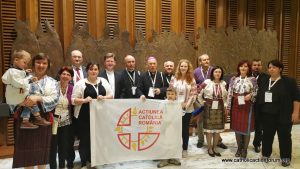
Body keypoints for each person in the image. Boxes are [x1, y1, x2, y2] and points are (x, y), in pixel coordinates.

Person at [12, 53, 59, 169]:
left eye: (44, 63)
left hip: (42, 117)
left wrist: (38, 98)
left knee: (41, 150)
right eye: (38, 62)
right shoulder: (22, 78)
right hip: (25, 117)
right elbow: (11, 95)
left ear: (48, 66)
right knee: (26, 152)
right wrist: (22, 102)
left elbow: (55, 98)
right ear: (33, 64)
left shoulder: (52, 82)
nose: (41, 65)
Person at [256, 59, 299, 167]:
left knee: (284, 136)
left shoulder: (289, 82)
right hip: (267, 114)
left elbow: (296, 98)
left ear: (280, 69)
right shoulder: (265, 80)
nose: (271, 69)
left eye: (274, 67)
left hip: (284, 115)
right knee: (267, 136)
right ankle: (266, 154)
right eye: (269, 67)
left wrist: (295, 112)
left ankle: (285, 157)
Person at [72, 62, 113, 168]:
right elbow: (73, 100)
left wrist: (104, 97)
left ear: (98, 71)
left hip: (100, 116)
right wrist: (84, 100)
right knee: (85, 140)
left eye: (95, 69)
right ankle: (84, 162)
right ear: (87, 71)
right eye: (91, 69)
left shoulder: (103, 81)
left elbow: (111, 95)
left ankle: (95, 161)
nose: (93, 71)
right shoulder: (80, 84)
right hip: (84, 117)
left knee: (98, 139)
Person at [2, 50, 51, 129]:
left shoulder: (19, 72)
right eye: (24, 62)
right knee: (30, 102)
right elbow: (18, 82)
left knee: (29, 103)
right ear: (16, 60)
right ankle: (37, 119)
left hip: (22, 98)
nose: (25, 65)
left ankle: (26, 121)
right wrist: (29, 79)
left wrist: (25, 73)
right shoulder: (12, 72)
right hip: (15, 100)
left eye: (44, 63)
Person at [193, 54, 227, 149]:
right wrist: (199, 98)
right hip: (201, 99)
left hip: (214, 99)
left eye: (208, 59)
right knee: (200, 120)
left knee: (215, 121)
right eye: (204, 60)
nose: (206, 61)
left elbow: (220, 83)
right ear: (200, 62)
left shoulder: (214, 69)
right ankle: (200, 140)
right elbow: (194, 84)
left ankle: (218, 141)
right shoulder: (196, 71)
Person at [227, 60, 257, 158]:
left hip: (247, 105)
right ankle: (239, 148)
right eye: (241, 66)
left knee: (246, 129)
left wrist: (251, 95)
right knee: (237, 128)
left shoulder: (252, 79)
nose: (243, 68)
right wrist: (228, 107)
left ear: (248, 68)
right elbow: (229, 93)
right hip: (236, 105)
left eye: (245, 66)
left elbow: (256, 91)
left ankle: (245, 149)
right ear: (238, 68)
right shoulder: (233, 79)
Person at [169, 59, 197, 158]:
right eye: (182, 66)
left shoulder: (192, 80)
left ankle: (184, 149)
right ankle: (176, 148)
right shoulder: (174, 78)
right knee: (175, 129)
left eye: (185, 66)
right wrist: (175, 102)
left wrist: (186, 103)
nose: (183, 68)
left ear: (188, 68)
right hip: (175, 108)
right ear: (179, 67)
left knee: (185, 129)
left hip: (187, 108)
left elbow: (194, 94)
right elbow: (170, 91)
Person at [49, 66, 75, 169]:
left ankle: (62, 166)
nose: (65, 76)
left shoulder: (72, 88)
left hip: (66, 122)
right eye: (64, 74)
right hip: (53, 122)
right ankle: (53, 166)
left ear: (71, 78)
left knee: (63, 146)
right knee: (53, 147)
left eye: (68, 75)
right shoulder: (52, 86)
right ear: (59, 75)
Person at [157, 87, 181, 168]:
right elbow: (160, 113)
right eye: (168, 94)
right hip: (166, 126)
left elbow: (181, 114)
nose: (170, 96)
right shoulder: (163, 103)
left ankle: (172, 158)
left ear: (175, 95)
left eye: (172, 94)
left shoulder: (178, 104)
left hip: (174, 127)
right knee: (165, 143)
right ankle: (164, 159)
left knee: (174, 142)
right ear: (166, 95)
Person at [251, 59, 268, 153]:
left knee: (259, 126)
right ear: (251, 66)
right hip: (248, 105)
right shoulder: (247, 76)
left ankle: (257, 144)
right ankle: (242, 144)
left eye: (258, 65)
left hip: (260, 106)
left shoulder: (267, 77)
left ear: (261, 66)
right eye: (254, 65)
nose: (256, 67)